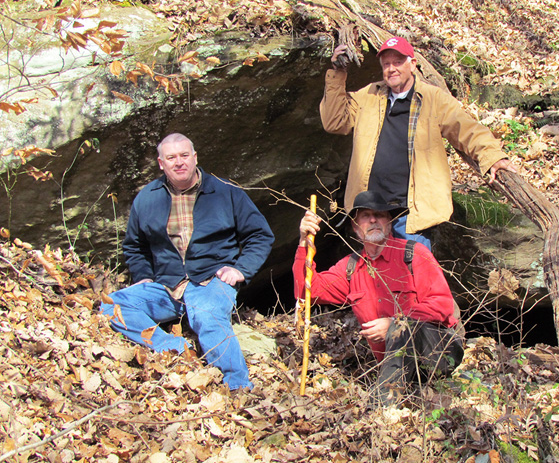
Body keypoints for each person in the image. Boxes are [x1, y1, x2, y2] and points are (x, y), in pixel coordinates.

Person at [100, 133, 274, 391]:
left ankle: (238, 387)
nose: (178, 162)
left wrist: (240, 269)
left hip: (209, 282)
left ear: (195, 158)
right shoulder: (147, 198)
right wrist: (143, 275)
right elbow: (134, 245)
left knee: (207, 315)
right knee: (111, 305)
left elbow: (260, 235)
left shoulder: (225, 192)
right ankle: (174, 347)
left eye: (184, 156)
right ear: (161, 163)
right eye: (171, 157)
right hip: (166, 286)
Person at [320, 36, 518, 249]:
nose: (391, 69)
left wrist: (492, 156)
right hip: (372, 213)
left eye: (398, 62)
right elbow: (334, 122)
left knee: (413, 276)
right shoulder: (369, 95)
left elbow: (466, 129)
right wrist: (337, 73)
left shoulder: (433, 98)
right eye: (386, 64)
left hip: (411, 214)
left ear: (412, 64)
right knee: (375, 279)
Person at [294, 190, 464, 406]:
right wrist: (303, 242)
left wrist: (395, 324)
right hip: (394, 366)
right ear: (356, 228)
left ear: (389, 222)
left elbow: (442, 306)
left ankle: (380, 410)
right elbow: (306, 292)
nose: (373, 219)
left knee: (401, 327)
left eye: (379, 214)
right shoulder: (351, 267)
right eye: (365, 215)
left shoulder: (414, 254)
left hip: (438, 352)